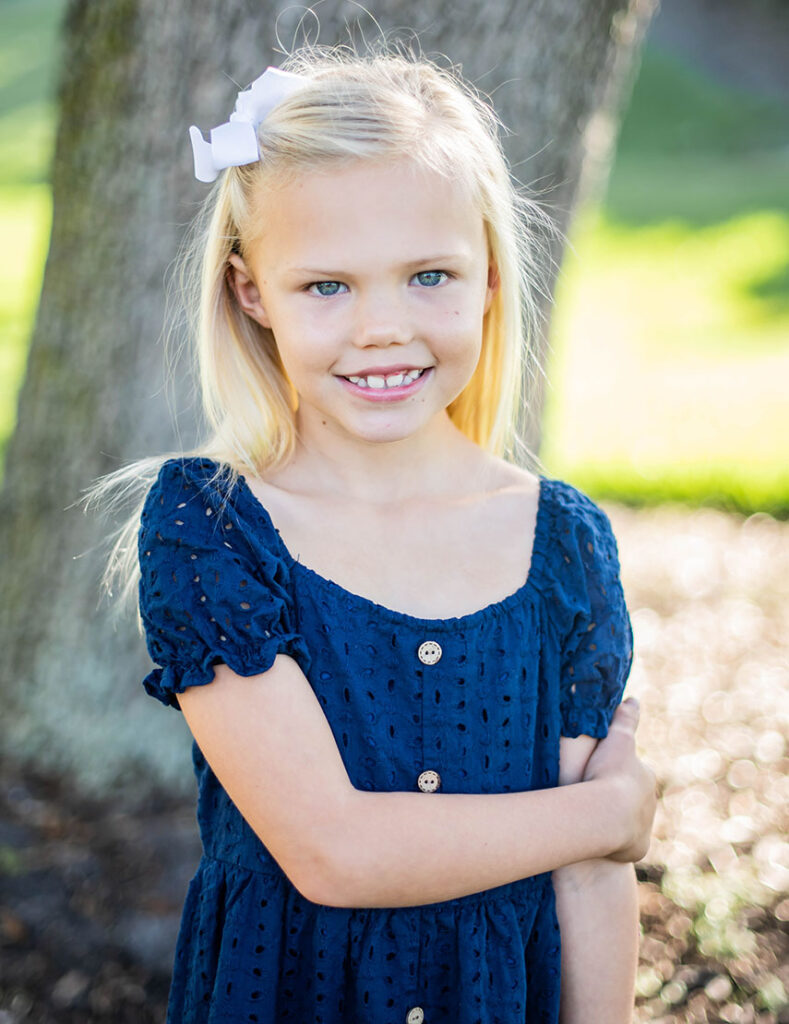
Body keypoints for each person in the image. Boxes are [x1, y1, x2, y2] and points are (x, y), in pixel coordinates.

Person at [96, 47, 656, 1024]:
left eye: (429, 274)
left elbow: (594, 884)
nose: (383, 327)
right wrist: (605, 814)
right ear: (252, 293)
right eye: (327, 287)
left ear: (488, 274)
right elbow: (334, 853)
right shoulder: (215, 528)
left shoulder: (559, 542)